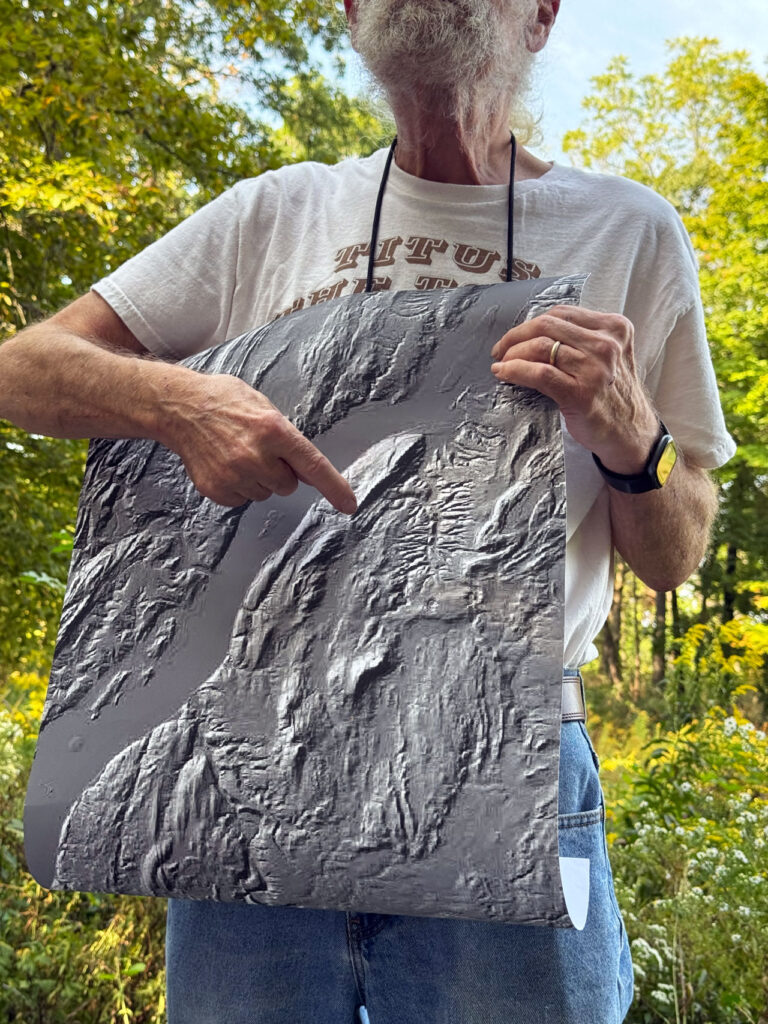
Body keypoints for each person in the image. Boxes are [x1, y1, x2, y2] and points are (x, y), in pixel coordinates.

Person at [0, 0, 735, 1020]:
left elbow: (675, 557)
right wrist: (178, 402)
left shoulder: (629, 230)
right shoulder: (273, 213)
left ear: (541, 15)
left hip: (507, 759)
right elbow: (21, 369)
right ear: (350, 12)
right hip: (246, 767)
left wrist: (633, 434)